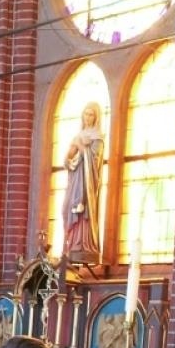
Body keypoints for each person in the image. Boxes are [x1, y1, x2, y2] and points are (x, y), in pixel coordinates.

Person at [62, 101, 104, 261]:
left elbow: (95, 158)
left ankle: (83, 244)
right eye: (85, 114)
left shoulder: (98, 137)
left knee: (82, 209)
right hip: (75, 179)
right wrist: (69, 157)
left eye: (91, 114)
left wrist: (81, 147)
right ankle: (72, 243)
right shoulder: (78, 136)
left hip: (87, 182)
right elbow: (67, 159)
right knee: (67, 206)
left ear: (96, 117)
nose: (88, 117)